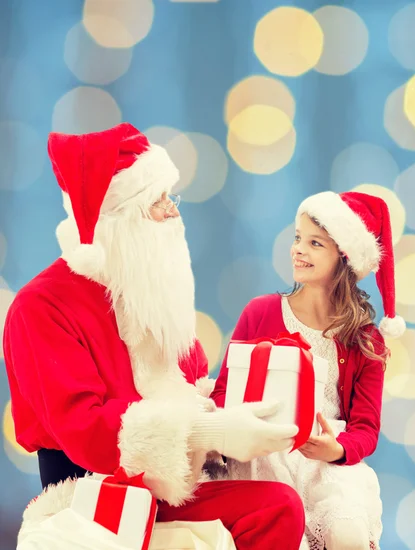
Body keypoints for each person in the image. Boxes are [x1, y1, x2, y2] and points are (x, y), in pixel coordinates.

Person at [3, 123, 305, 549]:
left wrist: (264, 415)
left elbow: (197, 386)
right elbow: (86, 431)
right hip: (89, 498)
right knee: (278, 507)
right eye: (157, 201)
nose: (173, 211)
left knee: (282, 504)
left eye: (170, 197)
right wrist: (209, 432)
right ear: (117, 220)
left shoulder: (151, 292)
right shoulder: (41, 306)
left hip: (172, 489)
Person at [211, 191, 406, 550]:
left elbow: (366, 428)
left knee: (346, 535)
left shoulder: (366, 341)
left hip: (326, 465)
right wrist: (236, 426)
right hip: (263, 458)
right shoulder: (261, 312)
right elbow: (223, 392)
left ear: (344, 258)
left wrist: (335, 449)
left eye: (315, 243)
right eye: (297, 238)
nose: (298, 249)